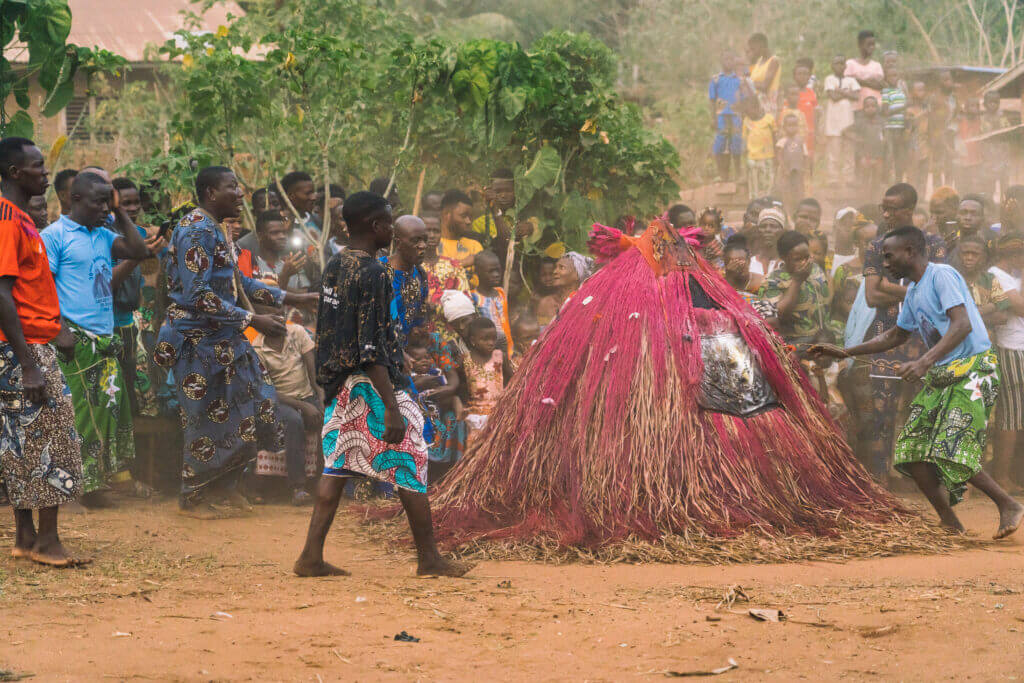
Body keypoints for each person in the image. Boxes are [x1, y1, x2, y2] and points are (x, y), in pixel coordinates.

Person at [295, 191, 473, 578]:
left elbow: (330, 328)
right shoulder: (375, 273)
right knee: (411, 458)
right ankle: (429, 559)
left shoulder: (337, 264)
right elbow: (371, 346)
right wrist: (392, 406)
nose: (392, 230)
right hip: (372, 383)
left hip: (342, 382)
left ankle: (310, 556)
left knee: (338, 463)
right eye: (390, 223)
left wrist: (329, 380)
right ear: (377, 227)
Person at [812, 225, 1024, 538]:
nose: (885, 263)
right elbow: (897, 334)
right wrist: (844, 351)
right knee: (911, 450)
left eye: (889, 255)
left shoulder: (942, 276)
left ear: (910, 251)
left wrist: (924, 361)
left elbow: (962, 324)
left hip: (975, 369)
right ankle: (950, 522)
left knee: (950, 444)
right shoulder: (913, 290)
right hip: (943, 373)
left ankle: (1008, 504)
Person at [155, 166, 316, 516]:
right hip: (197, 340)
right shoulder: (195, 230)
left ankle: (224, 486)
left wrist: (292, 298)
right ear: (211, 193)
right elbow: (198, 296)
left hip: (225, 339)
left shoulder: (219, 229)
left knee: (256, 407)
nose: (241, 194)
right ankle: (194, 496)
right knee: (203, 418)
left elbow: (239, 284)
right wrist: (252, 319)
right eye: (233, 188)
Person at [41, 171, 152, 506]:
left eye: (108, 201)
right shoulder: (55, 235)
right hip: (73, 339)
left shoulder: (103, 235)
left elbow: (138, 249)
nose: (104, 207)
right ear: (75, 200)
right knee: (80, 415)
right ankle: (83, 487)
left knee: (107, 411)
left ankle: (97, 479)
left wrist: (119, 212)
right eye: (98, 201)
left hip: (104, 339)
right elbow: (42, 287)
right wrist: (59, 329)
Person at [0, 137, 86, 567]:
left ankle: (26, 537)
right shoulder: (7, 221)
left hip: (27, 346)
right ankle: (49, 542)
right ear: (16, 173)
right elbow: (2, 294)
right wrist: (31, 364)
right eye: (37, 166)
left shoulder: (21, 218)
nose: (45, 172)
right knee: (51, 439)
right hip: (24, 352)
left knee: (20, 442)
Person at [862, 183, 947, 482]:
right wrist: (913, 292)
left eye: (891, 208)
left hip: (925, 345)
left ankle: (922, 483)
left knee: (925, 414)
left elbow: (937, 294)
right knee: (881, 415)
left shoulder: (934, 245)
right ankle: (881, 483)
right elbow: (872, 296)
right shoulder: (875, 246)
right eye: (883, 207)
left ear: (908, 210)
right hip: (886, 339)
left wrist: (891, 289)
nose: (885, 214)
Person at [249, 320, 321, 506]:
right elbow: (268, 390)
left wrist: (320, 398)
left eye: (280, 313)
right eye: (271, 316)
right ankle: (298, 487)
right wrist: (303, 406)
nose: (278, 319)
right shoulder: (257, 348)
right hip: (281, 401)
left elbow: (313, 372)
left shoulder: (297, 332)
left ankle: (324, 480)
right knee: (294, 421)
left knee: (326, 417)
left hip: (307, 395)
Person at [109, 177, 156, 419]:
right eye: (125, 203)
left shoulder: (138, 233)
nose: (133, 208)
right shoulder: (108, 234)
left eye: (136, 202)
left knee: (130, 380)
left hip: (129, 319)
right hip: (110, 320)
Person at [988, 234, 1024, 491]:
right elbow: (1020, 307)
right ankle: (1001, 475)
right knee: (1010, 415)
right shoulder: (996, 275)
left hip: (1019, 347)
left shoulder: (1013, 275)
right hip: (1012, 348)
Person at [759, 230, 834, 348]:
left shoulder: (815, 269)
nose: (804, 262)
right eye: (797, 259)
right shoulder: (771, 281)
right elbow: (772, 318)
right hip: (794, 345)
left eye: (807, 257)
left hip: (823, 340)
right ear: (783, 257)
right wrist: (797, 281)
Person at [421, 212, 470, 342]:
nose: (431, 236)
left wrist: (434, 306)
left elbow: (465, 302)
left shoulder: (454, 266)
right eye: (427, 231)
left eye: (436, 231)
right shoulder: (410, 267)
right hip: (419, 339)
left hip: (450, 338)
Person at [381, 215, 429, 346]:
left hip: (407, 351)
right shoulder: (379, 273)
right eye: (415, 241)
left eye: (425, 240)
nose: (423, 246)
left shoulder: (420, 274)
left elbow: (419, 318)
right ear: (398, 243)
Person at [460, 316, 509, 444]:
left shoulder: (500, 357)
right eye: (485, 339)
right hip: (476, 420)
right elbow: (461, 387)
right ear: (473, 340)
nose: (490, 342)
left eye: (493, 338)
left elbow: (512, 381)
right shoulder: (465, 361)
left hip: (499, 417)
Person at [954, 234, 1008, 335]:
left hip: (987, 345)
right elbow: (947, 318)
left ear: (983, 257)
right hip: (958, 345)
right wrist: (990, 308)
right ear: (958, 255)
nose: (969, 258)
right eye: (965, 253)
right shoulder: (951, 279)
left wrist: (967, 316)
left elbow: (1002, 317)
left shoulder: (990, 279)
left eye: (975, 254)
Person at [823, 55, 860, 187]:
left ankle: (849, 178)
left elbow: (856, 96)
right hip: (833, 123)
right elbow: (832, 96)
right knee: (833, 153)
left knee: (849, 152)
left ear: (845, 66)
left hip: (848, 122)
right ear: (832, 66)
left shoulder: (851, 80)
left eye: (841, 64)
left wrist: (840, 92)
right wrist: (846, 93)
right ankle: (833, 179)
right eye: (836, 63)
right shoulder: (829, 79)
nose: (839, 66)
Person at [708, 50, 744, 181]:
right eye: (726, 59)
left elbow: (743, 100)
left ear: (734, 61)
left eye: (731, 59)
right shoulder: (716, 79)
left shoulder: (739, 80)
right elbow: (712, 100)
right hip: (721, 115)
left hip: (735, 115)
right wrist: (713, 118)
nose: (728, 62)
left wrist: (743, 117)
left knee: (736, 142)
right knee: (720, 143)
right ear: (721, 61)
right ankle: (722, 173)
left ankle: (738, 172)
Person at [471, 250, 513, 355]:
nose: (496, 274)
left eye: (498, 270)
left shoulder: (501, 292)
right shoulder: (473, 297)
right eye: (491, 271)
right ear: (478, 272)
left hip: (506, 347)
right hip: (488, 349)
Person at [844, 96, 886, 201]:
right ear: (863, 108)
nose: (870, 108)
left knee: (877, 180)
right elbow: (845, 132)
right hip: (865, 155)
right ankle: (863, 200)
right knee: (865, 179)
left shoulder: (881, 121)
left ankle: (875, 200)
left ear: (877, 107)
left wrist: (885, 142)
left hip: (879, 155)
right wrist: (856, 138)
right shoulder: (860, 122)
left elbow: (886, 136)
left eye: (873, 106)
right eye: (867, 106)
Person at [535, 252, 593, 326]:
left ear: (577, 275)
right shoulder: (547, 302)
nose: (555, 271)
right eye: (555, 267)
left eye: (561, 267)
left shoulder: (586, 304)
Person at [927, 70, 957, 188]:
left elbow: (956, 115)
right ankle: (938, 194)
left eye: (950, 79)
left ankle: (948, 192)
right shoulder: (934, 99)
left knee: (950, 166)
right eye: (945, 80)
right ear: (939, 83)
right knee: (937, 167)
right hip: (937, 137)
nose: (949, 82)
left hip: (951, 136)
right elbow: (933, 120)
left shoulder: (953, 98)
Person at [438, 190, 482, 269]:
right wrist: (463, 263)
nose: (468, 221)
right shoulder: (432, 246)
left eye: (470, 217)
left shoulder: (474, 246)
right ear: (446, 215)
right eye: (463, 216)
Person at [774, 113, 808, 214]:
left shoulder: (801, 141)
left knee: (799, 190)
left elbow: (805, 155)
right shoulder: (782, 141)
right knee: (786, 191)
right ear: (784, 127)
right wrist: (784, 168)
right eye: (790, 125)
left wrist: (805, 168)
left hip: (798, 171)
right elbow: (779, 156)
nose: (792, 128)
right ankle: (787, 212)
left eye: (795, 125)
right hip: (786, 172)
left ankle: (798, 210)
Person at [742, 98, 776, 200]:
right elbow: (744, 138)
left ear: (757, 108)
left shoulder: (769, 119)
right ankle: (754, 203)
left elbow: (775, 137)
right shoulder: (747, 121)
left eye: (749, 111)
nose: (748, 114)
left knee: (767, 182)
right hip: (752, 158)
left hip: (767, 157)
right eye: (746, 112)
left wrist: (777, 155)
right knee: (754, 184)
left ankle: (767, 201)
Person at [880, 63, 908, 183]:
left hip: (901, 128)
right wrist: (903, 108)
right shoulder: (886, 92)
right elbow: (885, 112)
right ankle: (885, 181)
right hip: (890, 128)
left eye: (895, 75)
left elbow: (906, 110)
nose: (893, 78)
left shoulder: (901, 92)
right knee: (889, 156)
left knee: (900, 156)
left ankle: (898, 181)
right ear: (886, 78)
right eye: (890, 76)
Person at [845, 30, 885, 111]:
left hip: (876, 107)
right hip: (857, 107)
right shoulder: (850, 64)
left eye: (873, 44)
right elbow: (848, 82)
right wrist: (870, 81)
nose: (872, 47)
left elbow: (880, 85)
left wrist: (858, 80)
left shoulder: (877, 65)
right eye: (869, 45)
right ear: (860, 45)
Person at [746, 32, 780, 117]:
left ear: (761, 45)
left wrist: (747, 81)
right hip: (756, 104)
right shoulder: (759, 62)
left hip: (768, 104)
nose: (752, 52)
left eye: (753, 49)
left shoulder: (773, 61)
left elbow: (765, 86)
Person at [906, 80, 931, 190]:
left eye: (923, 90)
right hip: (913, 144)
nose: (922, 92)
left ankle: (921, 197)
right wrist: (922, 115)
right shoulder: (909, 110)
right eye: (919, 90)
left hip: (925, 143)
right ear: (912, 93)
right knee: (912, 172)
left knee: (924, 171)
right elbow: (909, 128)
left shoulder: (927, 109)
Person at [955, 98, 983, 195]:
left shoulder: (979, 120)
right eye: (972, 106)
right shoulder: (960, 120)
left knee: (974, 183)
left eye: (977, 106)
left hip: (975, 158)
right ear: (966, 109)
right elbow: (953, 136)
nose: (975, 109)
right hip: (962, 158)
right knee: (962, 183)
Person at [750, 206, 785, 276]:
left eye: (773, 226)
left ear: (782, 231)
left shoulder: (786, 264)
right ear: (758, 231)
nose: (767, 230)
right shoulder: (750, 263)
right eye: (763, 226)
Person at [793, 57, 817, 158]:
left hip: (809, 133)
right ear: (794, 76)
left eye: (806, 74)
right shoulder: (791, 93)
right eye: (800, 74)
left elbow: (815, 113)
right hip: (794, 132)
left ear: (809, 76)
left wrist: (817, 132)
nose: (803, 77)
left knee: (808, 157)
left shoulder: (812, 93)